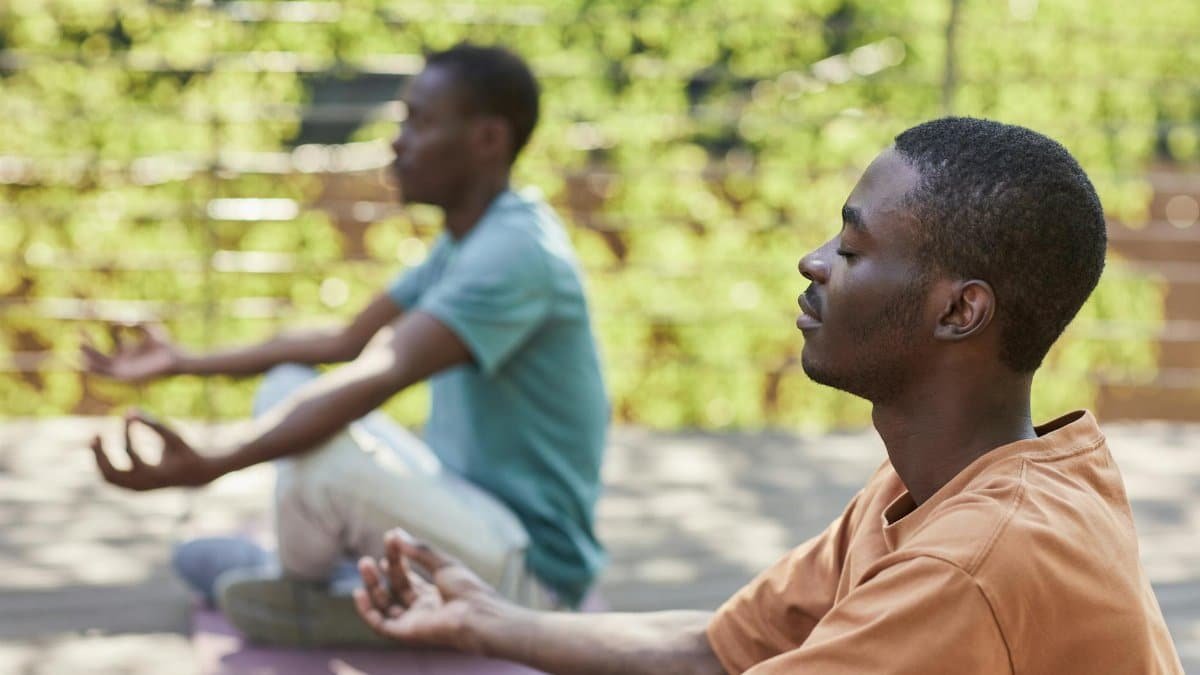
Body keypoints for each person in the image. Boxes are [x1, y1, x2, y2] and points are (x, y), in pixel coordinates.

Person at [350, 117, 1185, 674]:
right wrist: (488, 620)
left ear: (960, 310)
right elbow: (714, 649)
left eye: (853, 249)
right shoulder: (928, 489)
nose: (813, 261)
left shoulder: (968, 564)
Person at [83, 43, 609, 646]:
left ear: (488, 138)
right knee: (289, 385)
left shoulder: (514, 255)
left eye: (420, 121)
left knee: (324, 462)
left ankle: (304, 588)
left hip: (528, 575)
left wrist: (215, 461)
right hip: (470, 513)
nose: (397, 141)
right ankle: (331, 583)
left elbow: (380, 371)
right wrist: (182, 363)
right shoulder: (474, 237)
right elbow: (345, 342)